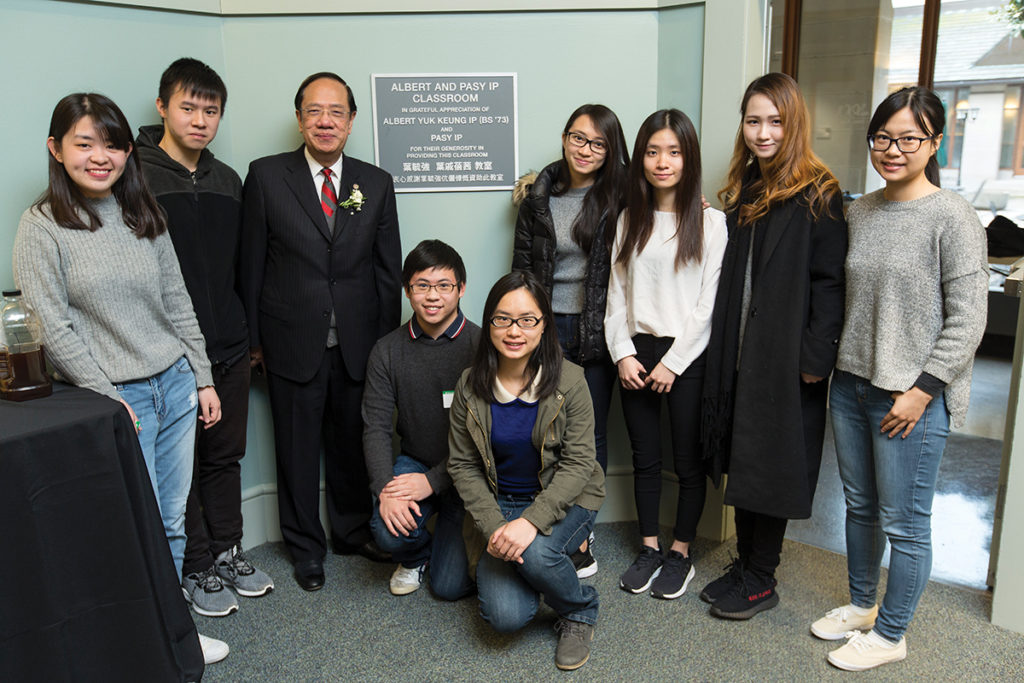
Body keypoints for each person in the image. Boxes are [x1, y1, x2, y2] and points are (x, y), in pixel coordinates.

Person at [12, 93, 228, 663]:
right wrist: (109, 399)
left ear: (128, 153)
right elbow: (51, 328)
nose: (99, 157)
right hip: (116, 398)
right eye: (84, 144)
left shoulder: (142, 212)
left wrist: (202, 377)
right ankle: (148, 637)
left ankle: (177, 630)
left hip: (176, 385)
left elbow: (177, 303)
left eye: (112, 145)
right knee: (138, 523)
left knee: (174, 518)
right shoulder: (41, 227)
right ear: (57, 150)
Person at [812, 87, 987, 671]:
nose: (893, 149)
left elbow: (969, 319)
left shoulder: (952, 215)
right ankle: (863, 605)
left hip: (910, 395)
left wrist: (922, 391)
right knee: (859, 507)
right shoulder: (859, 211)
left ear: (934, 143)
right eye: (883, 137)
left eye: (908, 138)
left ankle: (891, 634)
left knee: (905, 522)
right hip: (851, 383)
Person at [241, 72, 402, 591]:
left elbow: (386, 269)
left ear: (352, 120)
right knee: (296, 450)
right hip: (290, 340)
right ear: (299, 117)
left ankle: (351, 531)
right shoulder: (266, 177)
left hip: (359, 342)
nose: (325, 121)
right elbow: (251, 267)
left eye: (336, 112)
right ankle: (305, 547)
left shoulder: (373, 182)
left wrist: (385, 346)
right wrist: (254, 342)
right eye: (314, 110)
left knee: (353, 444)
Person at [700, 72, 848, 621]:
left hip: (787, 362)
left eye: (775, 121)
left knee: (774, 467)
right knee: (746, 461)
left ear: (794, 125)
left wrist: (815, 360)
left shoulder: (821, 194)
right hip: (741, 354)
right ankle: (744, 562)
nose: (764, 132)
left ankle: (763, 577)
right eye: (754, 120)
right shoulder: (747, 190)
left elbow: (830, 284)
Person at [137, 57, 273, 619]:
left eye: (210, 110)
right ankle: (193, 564)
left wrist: (252, 340)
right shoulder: (134, 176)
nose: (199, 120)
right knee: (181, 465)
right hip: (168, 352)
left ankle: (227, 549)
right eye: (188, 107)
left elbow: (245, 267)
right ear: (163, 107)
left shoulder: (228, 179)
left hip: (231, 343)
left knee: (226, 455)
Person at [447, 271, 605, 671]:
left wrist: (530, 522)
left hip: (565, 496)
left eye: (527, 320)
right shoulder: (469, 384)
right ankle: (541, 566)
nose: (514, 331)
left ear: (543, 326)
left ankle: (581, 609)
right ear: (489, 323)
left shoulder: (571, 381)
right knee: (505, 618)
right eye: (502, 319)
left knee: (534, 551)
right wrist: (494, 526)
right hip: (499, 502)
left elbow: (579, 463)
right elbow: (463, 465)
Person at [605, 109, 727, 599]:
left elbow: (708, 304)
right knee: (645, 458)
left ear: (688, 157)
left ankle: (680, 553)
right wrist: (622, 354)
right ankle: (650, 547)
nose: (662, 162)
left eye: (674, 152)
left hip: (687, 357)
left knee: (689, 462)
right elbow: (615, 293)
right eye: (653, 151)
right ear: (641, 158)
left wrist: (673, 363)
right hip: (636, 353)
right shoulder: (629, 219)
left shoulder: (712, 222)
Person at [512, 104, 627, 578]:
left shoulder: (622, 196)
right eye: (578, 139)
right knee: (542, 428)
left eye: (598, 143)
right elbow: (520, 265)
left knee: (589, 434)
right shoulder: (538, 198)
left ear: (610, 151)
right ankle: (544, 519)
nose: (586, 150)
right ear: (564, 139)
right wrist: (520, 325)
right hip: (544, 328)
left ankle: (580, 535)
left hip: (596, 328)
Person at [362, 240, 479, 598]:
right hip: (414, 463)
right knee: (386, 529)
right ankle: (417, 554)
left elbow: (488, 439)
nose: (433, 296)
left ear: (461, 289)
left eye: (444, 286)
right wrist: (386, 488)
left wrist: (434, 481)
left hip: (468, 471)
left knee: (449, 588)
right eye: (422, 286)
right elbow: (376, 428)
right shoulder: (387, 350)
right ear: (407, 290)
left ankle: (448, 534)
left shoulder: (481, 346)